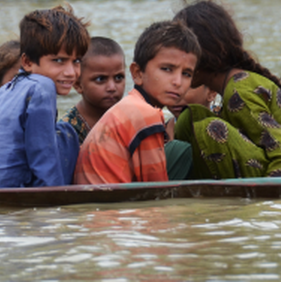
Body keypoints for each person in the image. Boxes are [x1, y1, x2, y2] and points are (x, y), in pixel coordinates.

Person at [173, 0, 281, 179]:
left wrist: (263, 207)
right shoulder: (233, 86)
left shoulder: (240, 92)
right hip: (276, 168)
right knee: (189, 118)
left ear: (203, 54)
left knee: (210, 130)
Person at [0, 4, 89, 190]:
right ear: (27, 62)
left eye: (76, 61)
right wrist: (56, 208)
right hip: (10, 194)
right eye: (59, 61)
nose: (71, 72)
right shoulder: (42, 86)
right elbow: (44, 159)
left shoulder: (0, 94)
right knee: (66, 133)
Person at [73, 20, 200, 184]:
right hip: (109, 206)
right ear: (137, 73)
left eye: (187, 74)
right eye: (167, 69)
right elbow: (157, 190)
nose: (178, 82)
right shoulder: (145, 114)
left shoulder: (130, 106)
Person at [61, 36, 126, 144]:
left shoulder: (130, 119)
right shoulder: (67, 132)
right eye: (101, 79)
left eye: (118, 77)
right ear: (78, 85)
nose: (112, 87)